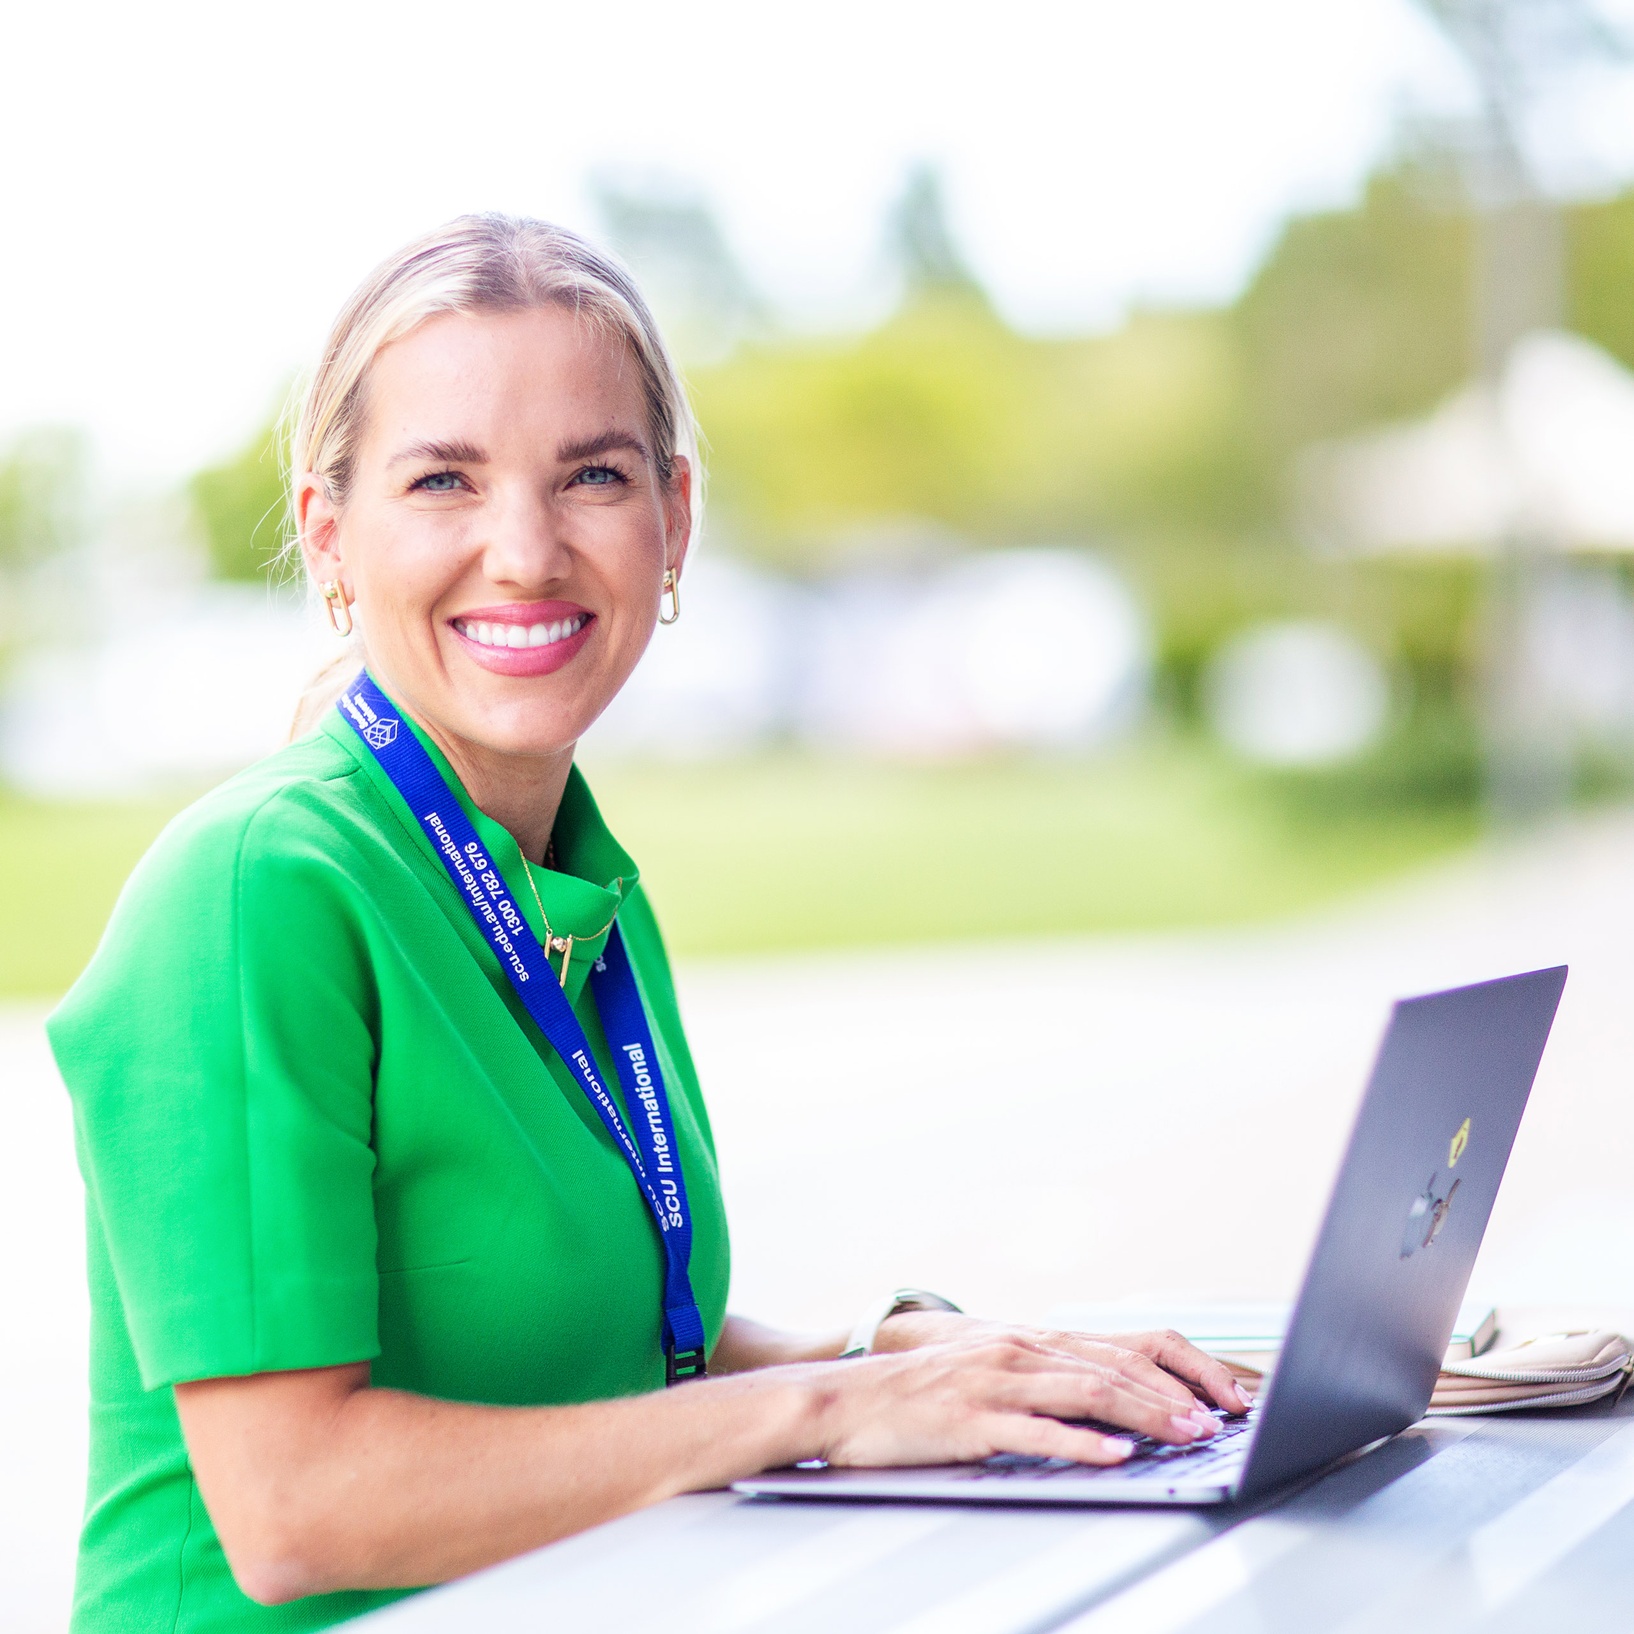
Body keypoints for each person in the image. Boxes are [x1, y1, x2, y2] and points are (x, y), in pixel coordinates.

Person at [49, 214, 1249, 1634]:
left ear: (671, 521)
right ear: (330, 534)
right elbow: (296, 1508)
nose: (524, 548)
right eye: (444, 478)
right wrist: (831, 1404)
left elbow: (595, 1342)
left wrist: (923, 1355)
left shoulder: (575, 890)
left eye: (591, 476)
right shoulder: (256, 889)